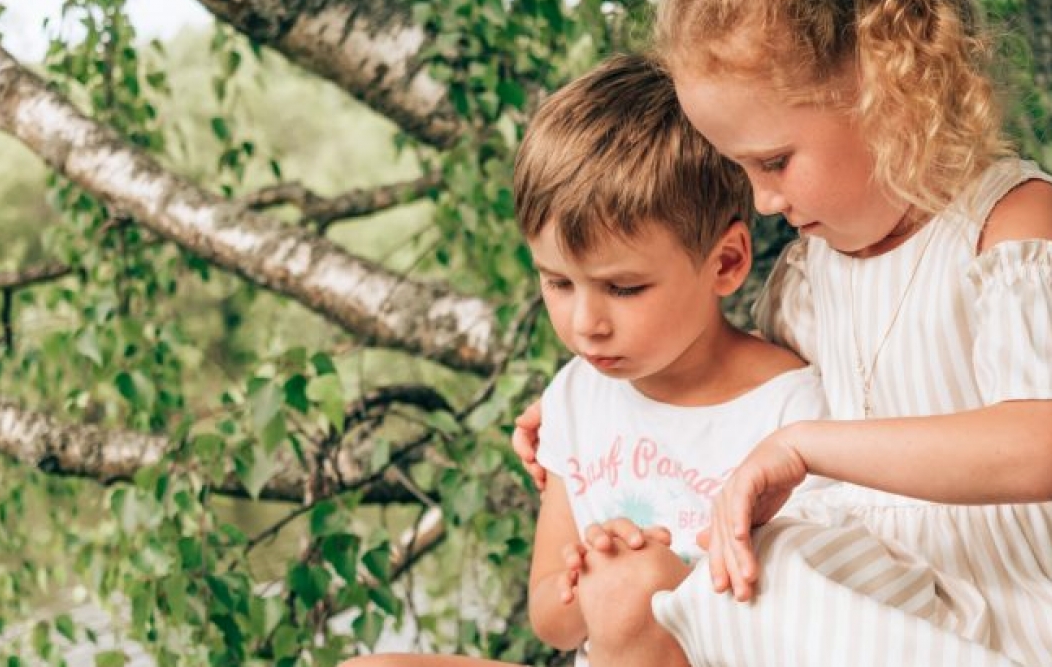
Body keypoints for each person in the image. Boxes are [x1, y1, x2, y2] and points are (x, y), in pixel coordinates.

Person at [512, 0, 1052, 665]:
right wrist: (598, 398)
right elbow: (735, 381)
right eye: (742, 167)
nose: (762, 198)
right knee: (739, 577)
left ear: (887, 86)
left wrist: (807, 447)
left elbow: (1041, 448)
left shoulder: (1009, 225)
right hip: (910, 588)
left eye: (775, 161)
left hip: (1048, 574)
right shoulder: (810, 279)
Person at [343, 54, 828, 667]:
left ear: (726, 264)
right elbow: (553, 624)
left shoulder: (793, 414)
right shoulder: (576, 395)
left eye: (623, 289)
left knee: (633, 590)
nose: (584, 324)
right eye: (558, 283)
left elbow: (807, 623)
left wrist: (649, 586)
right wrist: (584, 577)